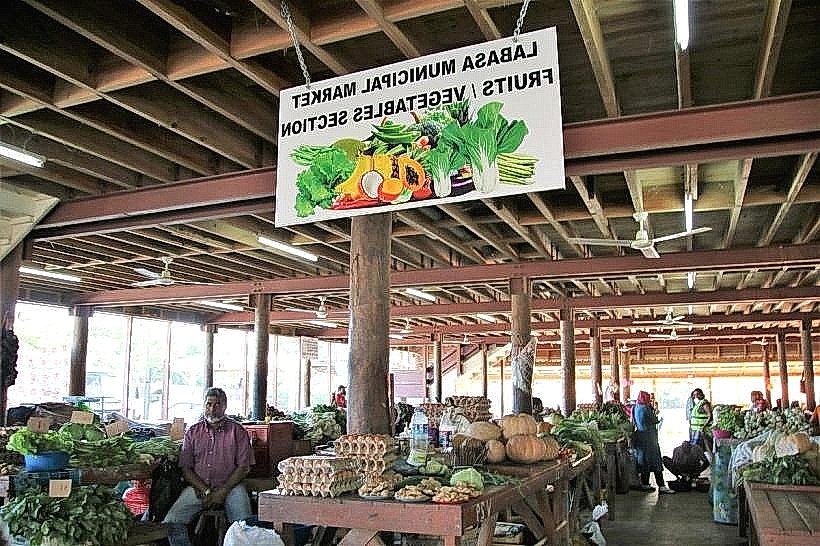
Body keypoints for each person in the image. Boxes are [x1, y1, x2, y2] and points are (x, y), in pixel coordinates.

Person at [163, 387, 254, 546]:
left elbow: (244, 467)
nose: (212, 409)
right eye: (209, 404)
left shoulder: (237, 431)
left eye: (217, 404)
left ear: (225, 406)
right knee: (171, 521)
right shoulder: (192, 431)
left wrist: (223, 490)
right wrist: (206, 490)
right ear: (204, 405)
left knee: (244, 526)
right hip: (199, 488)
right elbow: (186, 468)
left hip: (231, 487)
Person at [632, 391, 674, 494]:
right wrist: (655, 411)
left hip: (640, 437)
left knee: (644, 462)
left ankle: (645, 484)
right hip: (650, 438)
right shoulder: (645, 408)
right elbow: (655, 420)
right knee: (656, 462)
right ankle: (662, 486)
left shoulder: (635, 407)